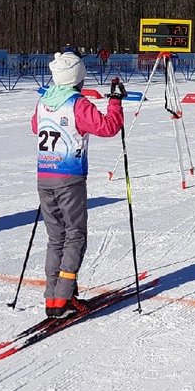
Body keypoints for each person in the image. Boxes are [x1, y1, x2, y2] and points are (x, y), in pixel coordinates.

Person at [31, 52, 126, 318]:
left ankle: (53, 294)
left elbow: (34, 127)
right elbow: (108, 127)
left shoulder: (43, 100)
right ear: (78, 77)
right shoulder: (77, 103)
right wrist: (115, 102)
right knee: (74, 236)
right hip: (69, 179)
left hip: (44, 176)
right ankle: (63, 297)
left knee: (55, 238)